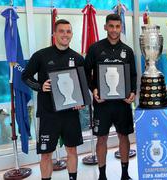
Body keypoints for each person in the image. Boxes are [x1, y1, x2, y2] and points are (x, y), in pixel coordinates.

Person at [22, 19, 84, 180]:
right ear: (54, 34)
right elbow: (25, 77)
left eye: (68, 31)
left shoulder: (77, 58)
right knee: (46, 154)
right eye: (61, 31)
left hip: (70, 114)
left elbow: (83, 86)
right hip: (48, 114)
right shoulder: (41, 56)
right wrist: (40, 86)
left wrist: (81, 101)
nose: (65, 34)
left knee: (72, 151)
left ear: (71, 34)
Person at [84, 14, 137, 180]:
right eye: (111, 26)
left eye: (117, 26)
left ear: (121, 27)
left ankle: (125, 173)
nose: (114, 30)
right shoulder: (94, 49)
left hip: (122, 103)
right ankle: (102, 175)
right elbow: (86, 73)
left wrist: (133, 92)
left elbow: (133, 75)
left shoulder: (127, 51)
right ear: (105, 27)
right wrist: (93, 90)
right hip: (102, 103)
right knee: (102, 138)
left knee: (124, 136)